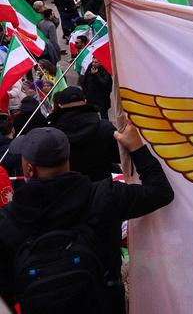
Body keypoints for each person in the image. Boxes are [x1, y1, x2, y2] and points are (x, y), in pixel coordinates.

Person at [0, 123, 175, 312]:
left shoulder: (8, 221)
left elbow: (5, 289)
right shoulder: (105, 197)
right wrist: (137, 148)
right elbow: (161, 192)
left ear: (29, 169)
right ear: (68, 159)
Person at [46, 86, 119, 181]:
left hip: (68, 186)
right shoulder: (105, 127)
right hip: (101, 185)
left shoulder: (52, 134)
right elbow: (118, 156)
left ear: (60, 105)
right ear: (85, 101)